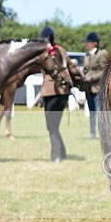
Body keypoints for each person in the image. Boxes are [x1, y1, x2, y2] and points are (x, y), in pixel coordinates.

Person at [39, 25, 69, 162]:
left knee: (52, 125)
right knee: (52, 126)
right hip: (57, 92)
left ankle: (56, 154)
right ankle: (62, 152)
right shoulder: (60, 51)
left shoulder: (49, 52)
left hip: (54, 92)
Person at [82, 31, 108, 139]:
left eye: (88, 42)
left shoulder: (102, 54)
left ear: (95, 43)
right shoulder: (87, 55)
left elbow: (105, 70)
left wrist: (92, 77)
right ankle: (92, 133)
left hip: (98, 88)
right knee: (92, 112)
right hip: (89, 88)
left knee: (100, 113)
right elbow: (85, 70)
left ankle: (104, 134)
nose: (86, 44)